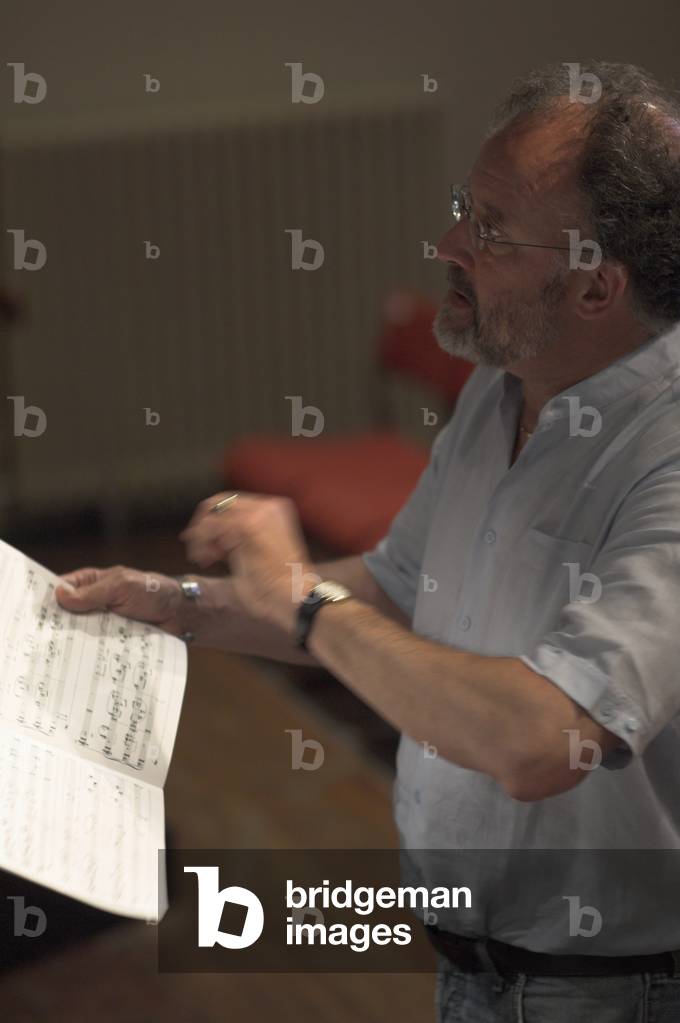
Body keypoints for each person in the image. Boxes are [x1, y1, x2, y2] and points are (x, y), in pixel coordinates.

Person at [57, 60, 680, 1020]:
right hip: (474, 964)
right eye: (463, 207)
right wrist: (178, 605)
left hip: (610, 992)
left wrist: (304, 600)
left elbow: (543, 742)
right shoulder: (503, 383)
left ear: (596, 287)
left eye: (490, 230)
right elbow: (397, 587)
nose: (448, 243)